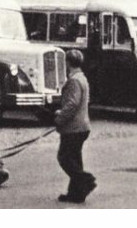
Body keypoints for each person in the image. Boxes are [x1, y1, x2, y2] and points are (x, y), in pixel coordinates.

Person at [54, 49, 96, 204]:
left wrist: (60, 118)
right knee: (75, 159)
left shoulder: (74, 81)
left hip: (73, 128)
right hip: (83, 125)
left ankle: (86, 180)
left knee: (64, 157)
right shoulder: (83, 78)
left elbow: (72, 104)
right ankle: (76, 194)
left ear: (68, 63)